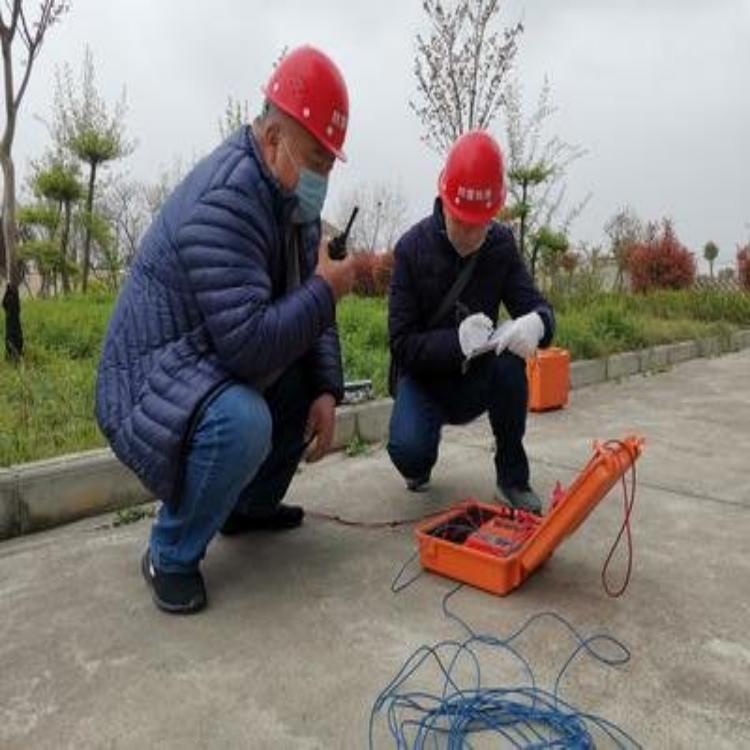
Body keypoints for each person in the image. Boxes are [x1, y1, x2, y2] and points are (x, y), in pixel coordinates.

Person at [95, 46, 355, 614]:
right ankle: (170, 551)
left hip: (205, 357)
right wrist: (329, 288)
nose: (321, 177)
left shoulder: (290, 202)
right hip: (150, 380)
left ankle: (247, 508)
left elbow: (306, 302)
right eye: (316, 159)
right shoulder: (229, 197)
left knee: (297, 383)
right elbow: (252, 343)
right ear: (271, 141)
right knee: (243, 420)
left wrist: (326, 389)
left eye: (330, 165)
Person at [387, 130, 555, 514]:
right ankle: (420, 458)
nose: (469, 232)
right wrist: (455, 342)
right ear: (443, 200)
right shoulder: (411, 250)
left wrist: (537, 324)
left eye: (480, 223)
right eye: (461, 221)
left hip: (477, 378)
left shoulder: (500, 246)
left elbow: (536, 305)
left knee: (511, 362)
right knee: (409, 451)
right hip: (425, 381)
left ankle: (512, 477)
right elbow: (401, 343)